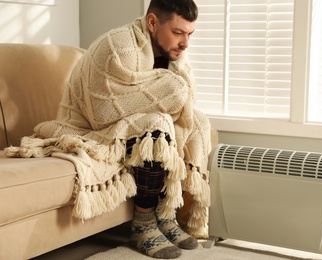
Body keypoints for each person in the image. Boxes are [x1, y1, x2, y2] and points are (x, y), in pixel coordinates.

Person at [5, 0, 211, 259]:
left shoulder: (173, 53)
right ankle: (144, 224)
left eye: (190, 34)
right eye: (178, 32)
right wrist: (169, 87)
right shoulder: (118, 46)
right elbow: (101, 112)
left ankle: (165, 214)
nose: (185, 43)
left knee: (198, 121)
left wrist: (169, 88)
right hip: (88, 126)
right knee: (158, 121)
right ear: (152, 22)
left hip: (124, 121)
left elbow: (180, 101)